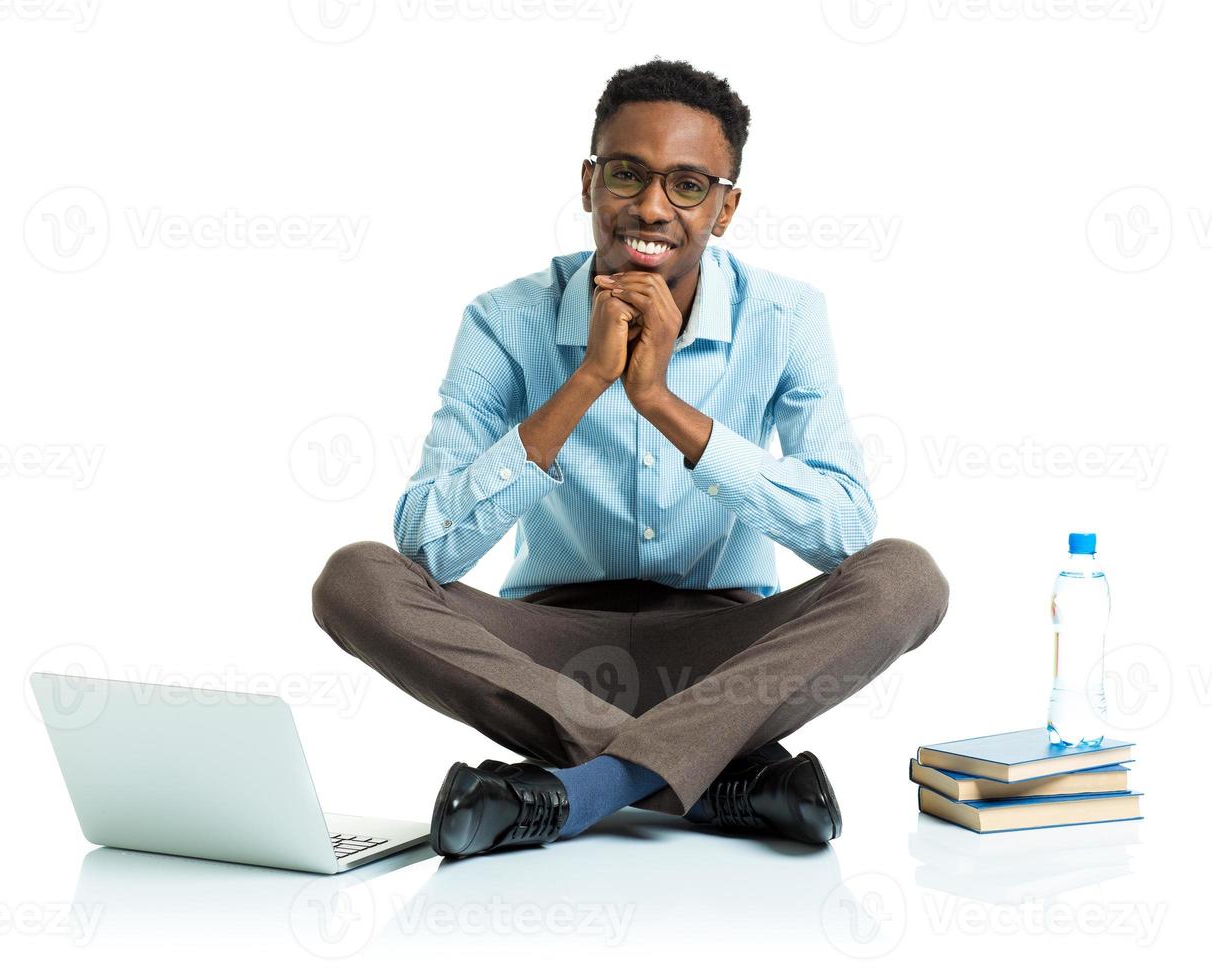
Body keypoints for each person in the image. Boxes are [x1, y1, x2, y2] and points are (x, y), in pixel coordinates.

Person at [312, 58, 949, 859]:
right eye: (626, 174)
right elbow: (425, 548)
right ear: (587, 184)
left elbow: (843, 533)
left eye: (687, 185)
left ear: (724, 208)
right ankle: (717, 778)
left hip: (726, 652)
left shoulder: (785, 316)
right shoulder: (504, 318)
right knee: (354, 578)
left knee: (907, 577)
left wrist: (660, 402)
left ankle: (582, 792)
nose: (650, 207)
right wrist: (587, 382)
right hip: (545, 659)